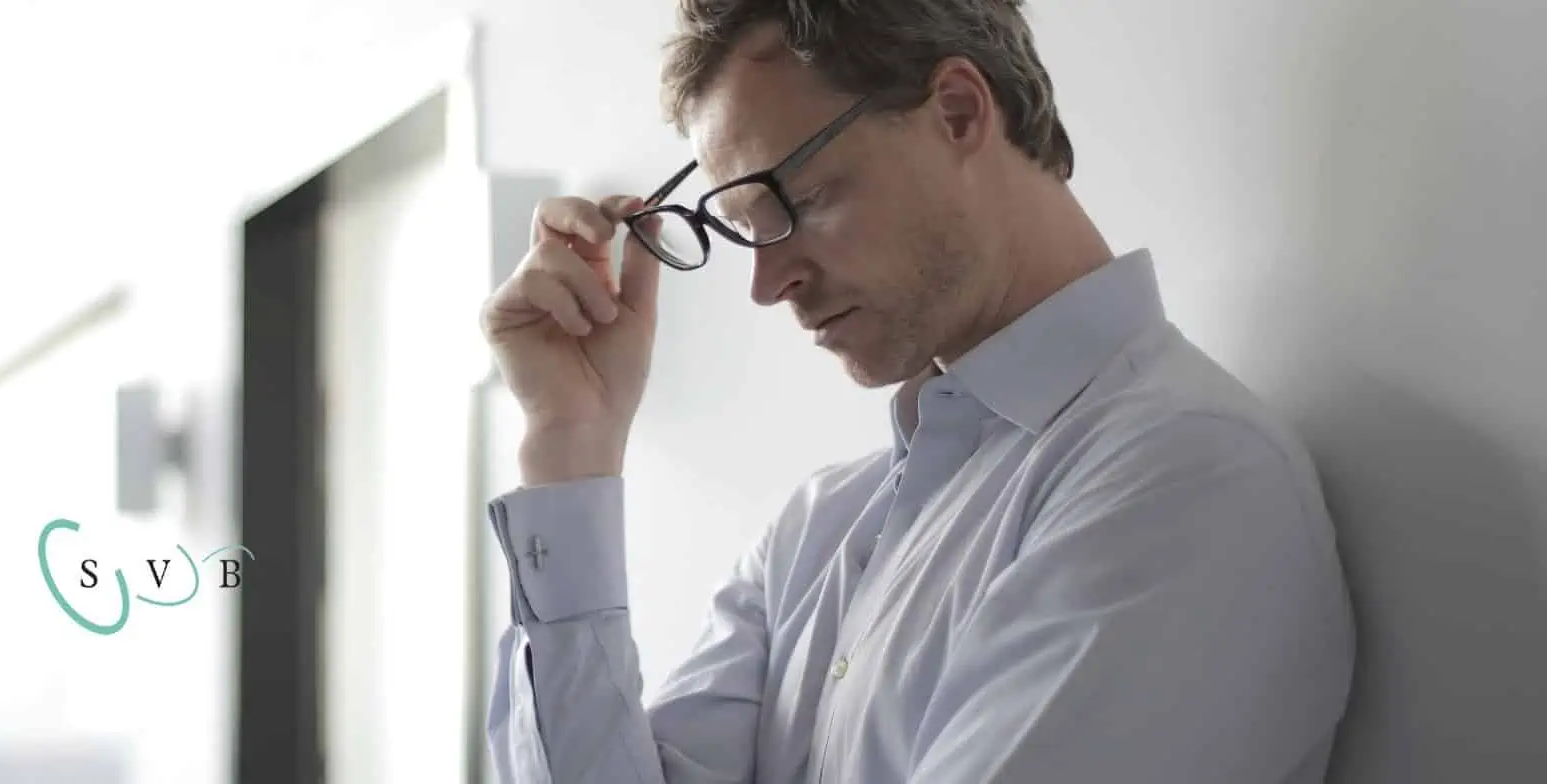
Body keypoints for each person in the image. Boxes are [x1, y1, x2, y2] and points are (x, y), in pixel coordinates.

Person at [475, 0, 1356, 782]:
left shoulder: (1182, 475)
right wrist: (570, 441)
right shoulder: (815, 534)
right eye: (747, 232)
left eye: (801, 200)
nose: (769, 285)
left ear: (959, 112)